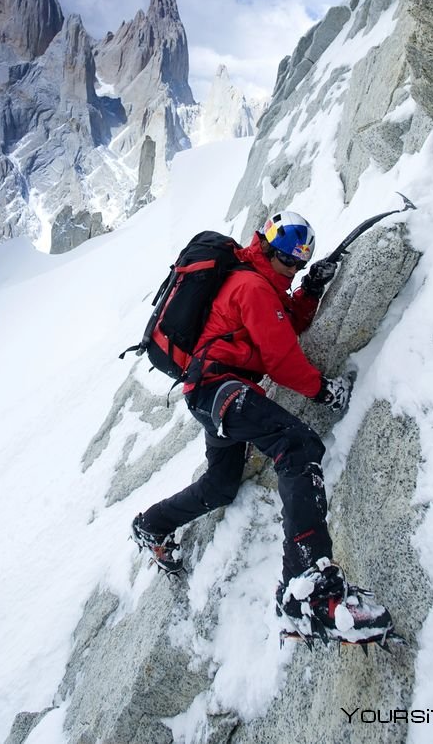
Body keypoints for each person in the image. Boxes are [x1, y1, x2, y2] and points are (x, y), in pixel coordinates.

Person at [132, 210, 393, 645]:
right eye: (290, 262)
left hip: (210, 393)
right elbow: (281, 359)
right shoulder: (252, 287)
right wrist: (324, 391)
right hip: (222, 389)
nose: (294, 270)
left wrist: (309, 291)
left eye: (300, 265)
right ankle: (306, 590)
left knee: (220, 486)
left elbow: (282, 325)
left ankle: (152, 524)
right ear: (269, 250)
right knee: (298, 445)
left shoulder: (256, 281)